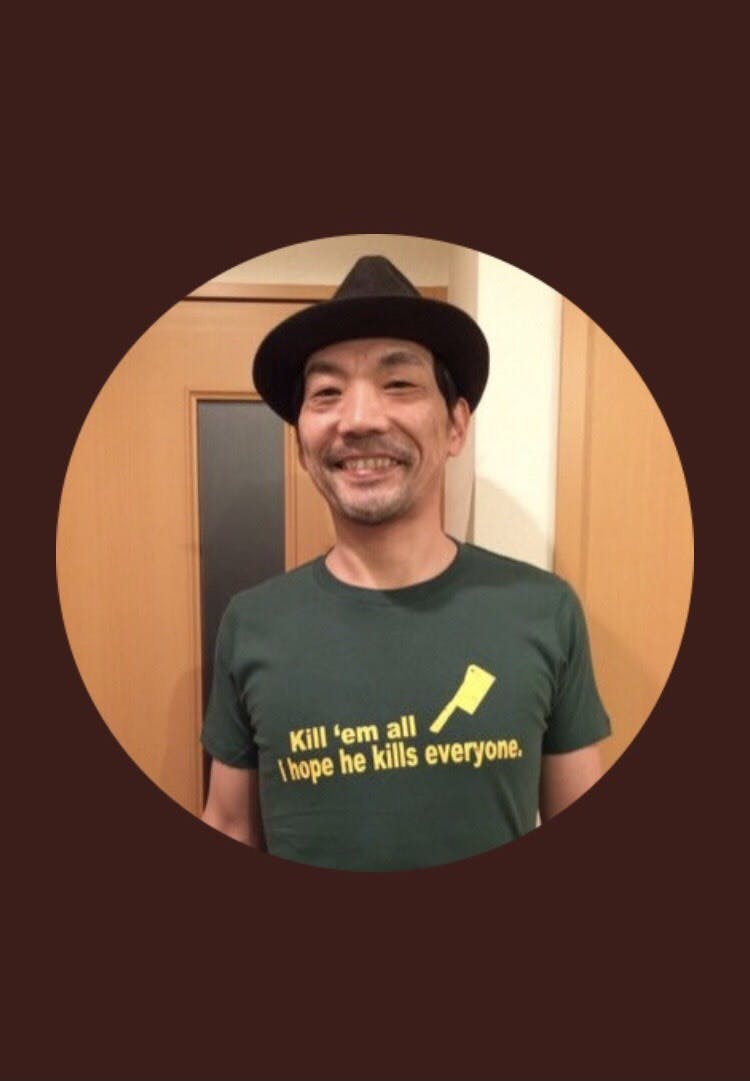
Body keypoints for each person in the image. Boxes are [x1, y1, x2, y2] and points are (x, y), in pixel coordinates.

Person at [200, 255, 611, 870]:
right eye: (327, 393)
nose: (360, 419)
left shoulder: (544, 610)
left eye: (399, 384)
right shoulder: (250, 623)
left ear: (456, 425)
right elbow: (231, 826)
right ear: (302, 447)